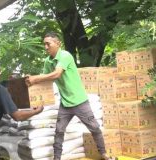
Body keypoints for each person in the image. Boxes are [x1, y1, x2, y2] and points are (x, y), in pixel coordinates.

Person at [25, 32, 110, 160]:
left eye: (48, 44)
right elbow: (45, 82)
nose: (46, 47)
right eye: (44, 44)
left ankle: (104, 154)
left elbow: (56, 74)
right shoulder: (48, 62)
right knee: (59, 131)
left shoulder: (65, 55)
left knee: (94, 128)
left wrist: (36, 78)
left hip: (80, 101)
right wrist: (33, 89)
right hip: (65, 104)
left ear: (58, 43)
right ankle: (57, 158)